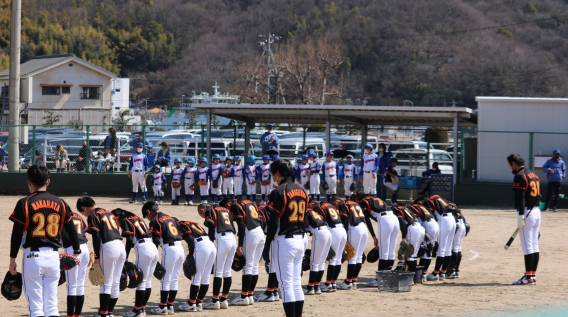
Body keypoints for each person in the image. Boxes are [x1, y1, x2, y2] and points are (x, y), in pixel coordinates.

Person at [8, 165, 81, 317]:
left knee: (35, 308)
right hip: (54, 259)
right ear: (48, 181)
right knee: (51, 306)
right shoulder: (60, 202)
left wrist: (12, 260)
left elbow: (16, 235)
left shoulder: (24, 203)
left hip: (33, 258)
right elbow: (72, 229)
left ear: (29, 182)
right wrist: (77, 252)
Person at [263, 159, 308, 317]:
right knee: (296, 284)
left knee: (286, 286)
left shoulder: (278, 191)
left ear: (277, 173)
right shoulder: (302, 190)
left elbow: (273, 222)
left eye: (273, 173)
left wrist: (267, 245)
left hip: (284, 241)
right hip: (300, 238)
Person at [77, 196, 126, 317]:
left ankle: (103, 314)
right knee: (115, 282)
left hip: (108, 247)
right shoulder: (108, 212)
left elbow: (96, 236)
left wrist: (97, 255)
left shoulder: (93, 215)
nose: (84, 215)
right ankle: (109, 312)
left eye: (82, 212)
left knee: (106, 283)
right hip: (120, 246)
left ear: (84, 208)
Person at [112, 208, 159, 317]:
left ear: (117, 217)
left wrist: (125, 256)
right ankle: (142, 309)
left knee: (141, 282)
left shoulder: (125, 220)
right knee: (147, 282)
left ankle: (137, 311)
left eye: (114, 219)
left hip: (143, 249)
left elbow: (129, 240)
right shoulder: (137, 218)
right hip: (152, 247)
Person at [143, 201, 185, 314]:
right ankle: (170, 305)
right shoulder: (170, 218)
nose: (148, 219)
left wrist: (154, 255)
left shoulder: (155, 220)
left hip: (170, 250)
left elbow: (156, 239)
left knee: (165, 280)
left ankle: (162, 308)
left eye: (146, 216)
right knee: (174, 279)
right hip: (180, 249)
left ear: (148, 211)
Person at [351, 192, 399, 287]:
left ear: (357, 199)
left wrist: (373, 236)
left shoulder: (363, 201)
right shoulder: (375, 198)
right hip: (394, 218)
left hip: (384, 219)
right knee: (391, 251)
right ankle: (387, 278)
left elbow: (367, 220)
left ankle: (379, 279)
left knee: (383, 252)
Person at [507, 153, 541, 285]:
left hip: (526, 212)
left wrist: (521, 216)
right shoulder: (533, 174)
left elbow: (520, 198)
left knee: (527, 247)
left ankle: (528, 277)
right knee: (534, 245)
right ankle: (532, 276)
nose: (510, 168)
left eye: (510, 165)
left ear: (514, 164)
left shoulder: (519, 176)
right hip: (536, 211)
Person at [199, 200, 237, 309]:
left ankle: (215, 300)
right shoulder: (225, 209)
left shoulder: (210, 210)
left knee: (218, 271)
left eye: (202, 214)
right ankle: (224, 299)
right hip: (232, 239)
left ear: (202, 210)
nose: (204, 216)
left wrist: (210, 242)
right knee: (227, 271)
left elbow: (211, 226)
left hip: (222, 239)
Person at [230, 199, 267, 304]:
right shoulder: (250, 202)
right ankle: (250, 295)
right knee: (254, 265)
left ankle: (244, 296)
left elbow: (241, 225)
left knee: (247, 266)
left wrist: (240, 245)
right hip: (260, 232)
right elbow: (262, 220)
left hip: (250, 233)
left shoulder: (236, 205)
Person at [177, 218, 216, 312]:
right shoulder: (191, 222)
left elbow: (190, 239)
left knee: (196, 277)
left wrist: (190, 255)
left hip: (201, 246)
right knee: (205, 277)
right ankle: (198, 303)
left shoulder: (180, 225)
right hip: (211, 245)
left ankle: (191, 304)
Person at [61, 205, 90, 317]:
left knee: (71, 285)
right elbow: (84, 229)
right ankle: (77, 314)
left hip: (72, 249)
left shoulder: (62, 216)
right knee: (80, 284)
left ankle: (70, 315)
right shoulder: (78, 216)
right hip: (85, 249)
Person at [336, 196, 368, 290]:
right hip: (364, 229)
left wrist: (345, 234)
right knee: (358, 256)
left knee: (352, 256)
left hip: (355, 229)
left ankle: (348, 282)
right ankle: (353, 280)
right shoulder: (355, 204)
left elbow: (345, 220)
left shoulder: (344, 204)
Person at [423, 195, 456, 281]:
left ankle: (436, 273)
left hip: (444, 220)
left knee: (441, 249)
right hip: (452, 219)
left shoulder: (429, 200)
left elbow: (430, 214)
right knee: (448, 249)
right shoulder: (441, 198)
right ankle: (443, 272)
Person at [304, 201, 332, 295]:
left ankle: (310, 287)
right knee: (321, 262)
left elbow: (304, 226)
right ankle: (317, 286)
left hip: (319, 233)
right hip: (327, 232)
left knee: (314, 263)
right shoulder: (314, 212)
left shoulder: (306, 211)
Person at [320, 199, 347, 292]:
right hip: (342, 230)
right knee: (338, 259)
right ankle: (333, 283)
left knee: (332, 259)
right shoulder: (332, 208)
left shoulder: (323, 206)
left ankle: (328, 284)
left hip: (334, 231)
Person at [407, 201, 439, 278]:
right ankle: (423, 274)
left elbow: (416, 220)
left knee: (424, 250)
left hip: (427, 225)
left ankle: (420, 274)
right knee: (429, 251)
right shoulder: (422, 207)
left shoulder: (411, 207)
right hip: (435, 225)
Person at [391, 205, 425, 273]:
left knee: (410, 255)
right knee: (413, 255)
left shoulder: (395, 210)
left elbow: (402, 223)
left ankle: (409, 276)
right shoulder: (406, 209)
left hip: (412, 229)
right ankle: (411, 276)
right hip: (420, 228)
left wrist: (403, 238)